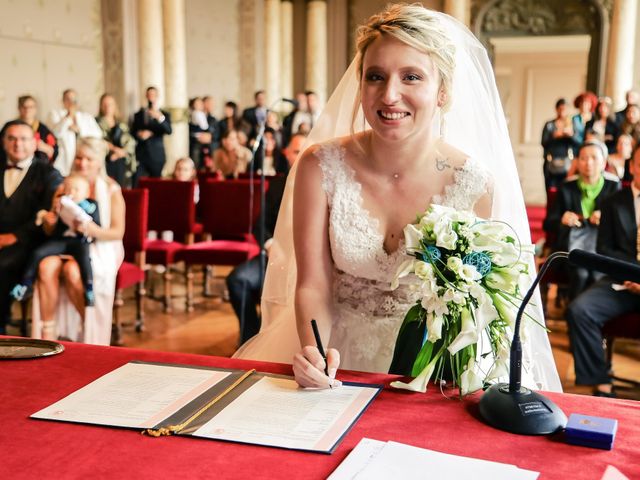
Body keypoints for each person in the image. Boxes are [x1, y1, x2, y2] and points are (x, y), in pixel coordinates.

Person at [234, 5, 561, 393]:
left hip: (435, 372)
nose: (390, 95)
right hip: (339, 358)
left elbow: (487, 306)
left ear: (442, 91)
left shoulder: (475, 183)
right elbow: (313, 285)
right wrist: (315, 352)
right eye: (376, 76)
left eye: (411, 77)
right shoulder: (319, 166)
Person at [31, 137, 125, 344]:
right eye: (79, 158)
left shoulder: (111, 189)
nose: (82, 163)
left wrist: (92, 229)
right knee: (45, 266)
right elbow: (50, 229)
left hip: (101, 245)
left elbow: (117, 232)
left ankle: (89, 330)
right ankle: (48, 334)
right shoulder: (65, 184)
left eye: (89, 159)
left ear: (99, 161)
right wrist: (50, 219)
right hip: (63, 242)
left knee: (73, 271)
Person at [566, 144, 640, 397]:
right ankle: (601, 381)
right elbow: (605, 249)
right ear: (632, 166)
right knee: (580, 310)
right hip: (622, 280)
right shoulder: (613, 202)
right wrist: (632, 274)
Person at [227, 133, 306, 345]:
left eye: (304, 150)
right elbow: (260, 224)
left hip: (305, 263)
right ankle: (251, 338)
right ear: (287, 154)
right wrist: (272, 246)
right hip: (274, 257)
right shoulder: (279, 185)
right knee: (238, 279)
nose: (300, 156)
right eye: (296, 151)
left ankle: (272, 339)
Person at [0, 120, 62, 334]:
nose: (18, 144)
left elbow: (48, 214)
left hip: (29, 242)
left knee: (3, 265)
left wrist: (13, 237)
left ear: (35, 143)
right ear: (3, 142)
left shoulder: (49, 174)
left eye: (24, 139)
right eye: (12, 138)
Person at [543, 141, 620, 300]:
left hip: (602, 249)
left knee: (598, 274)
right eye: (584, 158)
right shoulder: (566, 187)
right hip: (572, 248)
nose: (589, 163)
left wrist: (605, 219)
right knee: (581, 273)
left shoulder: (613, 187)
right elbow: (548, 223)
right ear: (577, 162)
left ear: (603, 162)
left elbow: (621, 226)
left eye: (594, 158)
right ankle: (574, 316)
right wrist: (562, 220)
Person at [10, 175, 101, 306]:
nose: (72, 193)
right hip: (62, 240)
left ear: (87, 192)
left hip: (79, 240)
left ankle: (89, 289)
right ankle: (25, 284)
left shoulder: (91, 205)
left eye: (77, 189)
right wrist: (54, 214)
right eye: (69, 189)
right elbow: (53, 228)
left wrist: (83, 217)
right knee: (38, 253)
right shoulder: (61, 201)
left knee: (85, 259)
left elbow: (96, 224)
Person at [48, 89, 102, 175]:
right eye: (68, 99)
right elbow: (55, 134)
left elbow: (98, 135)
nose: (71, 102)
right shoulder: (55, 114)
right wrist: (68, 117)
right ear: (62, 100)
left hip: (83, 161)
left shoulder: (86, 117)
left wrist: (80, 130)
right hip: (63, 160)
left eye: (74, 100)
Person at [0, 95, 58, 165]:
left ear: (36, 109)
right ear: (19, 108)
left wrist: (44, 147)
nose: (27, 110)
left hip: (37, 168)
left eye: (31, 107)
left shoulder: (43, 130)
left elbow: (54, 151)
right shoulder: (9, 127)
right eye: (24, 107)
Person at [131, 86, 172, 181]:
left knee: (156, 184)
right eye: (149, 95)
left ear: (157, 96)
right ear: (146, 96)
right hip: (141, 155)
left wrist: (159, 118)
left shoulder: (164, 115)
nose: (151, 97)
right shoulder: (139, 114)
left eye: (153, 95)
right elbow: (132, 132)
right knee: (137, 181)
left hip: (157, 155)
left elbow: (169, 131)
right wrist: (139, 134)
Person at [96, 93, 136, 187]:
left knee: (121, 189)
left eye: (110, 104)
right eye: (104, 104)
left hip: (121, 163)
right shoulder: (95, 123)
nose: (107, 107)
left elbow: (130, 142)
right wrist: (113, 149)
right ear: (101, 106)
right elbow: (97, 141)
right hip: (104, 162)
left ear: (114, 106)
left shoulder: (122, 124)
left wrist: (121, 152)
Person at [541, 98, 575, 192]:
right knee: (550, 191)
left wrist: (571, 135)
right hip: (550, 162)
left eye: (564, 109)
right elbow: (543, 142)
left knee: (565, 191)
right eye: (560, 109)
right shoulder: (549, 125)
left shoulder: (571, 124)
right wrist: (554, 136)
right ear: (556, 109)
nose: (562, 111)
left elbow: (577, 143)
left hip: (567, 163)